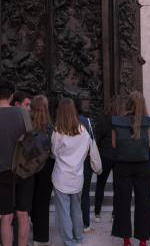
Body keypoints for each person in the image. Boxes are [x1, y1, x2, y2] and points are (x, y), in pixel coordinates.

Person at [0, 80, 34, 246]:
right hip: (24, 170)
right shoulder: (24, 114)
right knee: (23, 214)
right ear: (12, 96)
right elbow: (30, 141)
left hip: (3, 169)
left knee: (6, 215)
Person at [51, 98, 100, 246]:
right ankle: (78, 238)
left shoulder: (57, 132)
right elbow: (86, 153)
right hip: (77, 176)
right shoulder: (84, 131)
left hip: (61, 177)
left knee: (64, 212)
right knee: (76, 209)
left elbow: (54, 153)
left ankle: (68, 241)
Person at [111, 91, 150, 246]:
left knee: (122, 202)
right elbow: (149, 145)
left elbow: (114, 145)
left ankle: (126, 239)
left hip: (122, 165)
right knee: (143, 202)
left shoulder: (117, 121)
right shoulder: (148, 122)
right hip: (142, 165)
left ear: (128, 103)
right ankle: (142, 240)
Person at [30, 95, 54, 246]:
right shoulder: (51, 127)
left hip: (29, 166)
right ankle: (41, 238)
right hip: (46, 166)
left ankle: (32, 223)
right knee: (43, 202)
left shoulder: (27, 124)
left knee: (29, 198)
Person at [94, 95, 120, 222]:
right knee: (117, 186)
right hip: (119, 156)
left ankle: (97, 213)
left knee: (100, 185)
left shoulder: (103, 119)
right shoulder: (123, 119)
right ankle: (115, 214)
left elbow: (97, 138)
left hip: (105, 155)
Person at [76, 98, 94, 232]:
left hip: (71, 164)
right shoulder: (88, 122)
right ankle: (86, 223)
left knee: (73, 195)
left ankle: (73, 223)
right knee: (85, 194)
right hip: (85, 163)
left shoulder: (66, 121)